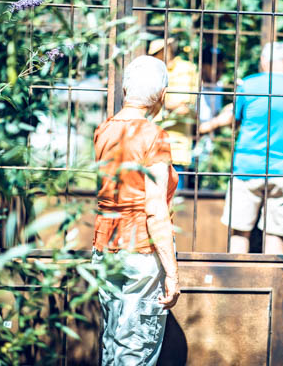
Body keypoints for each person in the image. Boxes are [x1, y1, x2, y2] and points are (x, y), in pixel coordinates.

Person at [92, 55, 180, 366]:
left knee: (112, 345)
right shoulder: (154, 136)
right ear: (162, 95)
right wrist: (172, 273)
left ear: (125, 90)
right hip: (141, 250)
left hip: (105, 247)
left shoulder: (104, 130)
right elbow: (155, 209)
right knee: (135, 352)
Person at [199, 41, 283, 254]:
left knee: (239, 232)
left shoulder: (248, 85)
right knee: (275, 234)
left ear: (263, 62)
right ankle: (274, 276)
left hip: (246, 168)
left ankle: (236, 275)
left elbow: (235, 118)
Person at [149, 37, 200, 189]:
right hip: (151, 147)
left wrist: (156, 97)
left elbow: (184, 108)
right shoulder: (153, 71)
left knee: (174, 196)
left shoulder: (185, 69)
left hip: (176, 148)